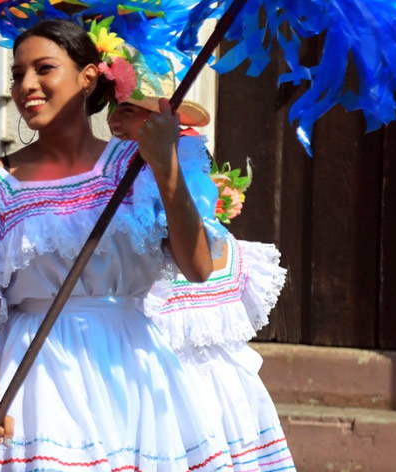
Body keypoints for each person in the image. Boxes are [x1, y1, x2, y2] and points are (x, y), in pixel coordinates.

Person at [0, 19, 234, 471]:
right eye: (17, 74)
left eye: (44, 69)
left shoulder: (136, 166)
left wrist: (166, 170)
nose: (27, 85)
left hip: (133, 369)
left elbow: (199, 267)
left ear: (88, 78)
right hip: (36, 377)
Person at [108, 90, 296, 471]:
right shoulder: (112, 165)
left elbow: (185, 230)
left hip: (179, 299)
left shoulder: (183, 158)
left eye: (126, 112)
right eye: (114, 109)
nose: (114, 120)